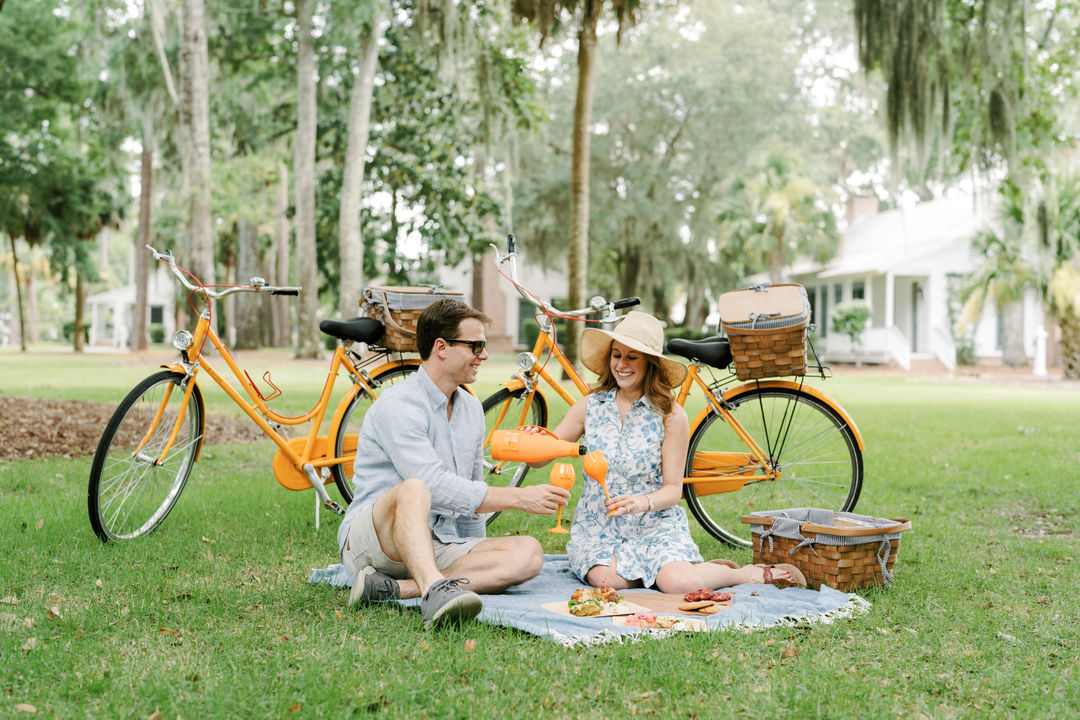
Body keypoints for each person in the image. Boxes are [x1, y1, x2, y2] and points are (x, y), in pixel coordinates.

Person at [338, 298, 571, 627]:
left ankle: (397, 589)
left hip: (432, 544)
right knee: (416, 489)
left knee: (529, 553)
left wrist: (478, 547)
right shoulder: (399, 406)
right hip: (375, 544)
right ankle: (433, 591)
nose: (485, 355)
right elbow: (433, 485)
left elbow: (470, 495)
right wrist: (519, 497)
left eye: (485, 346)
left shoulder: (471, 410)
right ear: (441, 347)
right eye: (476, 346)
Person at [540, 311, 803, 594]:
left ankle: (738, 574)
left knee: (680, 584)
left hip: (654, 523)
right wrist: (535, 440)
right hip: (599, 527)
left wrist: (641, 503)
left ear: (649, 362)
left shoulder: (670, 416)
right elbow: (542, 457)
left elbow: (673, 489)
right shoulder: (590, 407)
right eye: (616, 355)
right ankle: (674, 571)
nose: (621, 365)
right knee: (608, 582)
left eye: (632, 357)